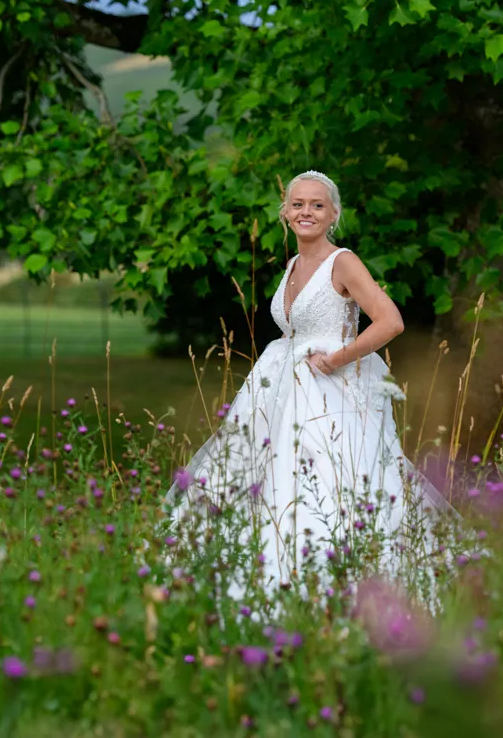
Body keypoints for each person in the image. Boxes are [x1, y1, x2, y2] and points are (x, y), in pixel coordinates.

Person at [165, 170, 454, 603]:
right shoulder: (292, 264)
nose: (306, 212)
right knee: (265, 476)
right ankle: (259, 570)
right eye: (297, 204)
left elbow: (391, 321)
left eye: (317, 205)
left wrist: (336, 358)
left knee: (331, 481)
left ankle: (340, 581)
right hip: (277, 391)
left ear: (333, 213)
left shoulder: (343, 262)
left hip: (328, 394)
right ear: (285, 212)